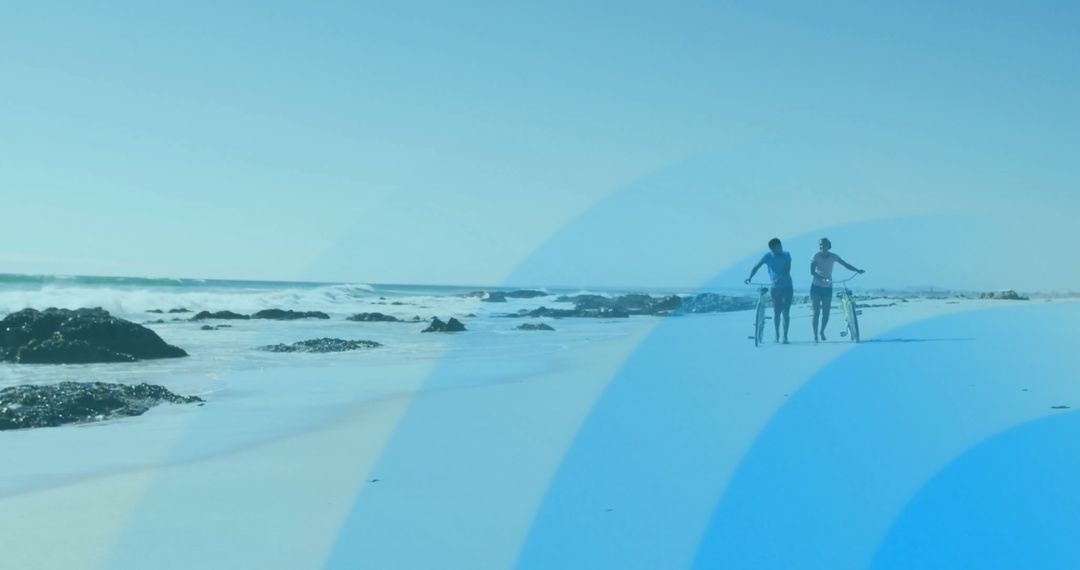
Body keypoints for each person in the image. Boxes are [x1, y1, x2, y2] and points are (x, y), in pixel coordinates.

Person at [810, 237, 865, 342]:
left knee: (826, 313)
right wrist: (822, 278)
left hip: (827, 288)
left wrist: (857, 270)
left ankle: (822, 331)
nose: (822, 246)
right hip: (816, 287)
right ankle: (815, 336)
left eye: (824, 244)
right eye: (820, 244)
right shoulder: (815, 256)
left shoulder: (833, 256)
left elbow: (846, 265)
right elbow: (812, 272)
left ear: (828, 245)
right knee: (816, 312)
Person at [745, 238, 793, 344]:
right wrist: (750, 277)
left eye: (781, 246)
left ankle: (785, 336)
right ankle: (777, 334)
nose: (780, 249)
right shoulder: (767, 256)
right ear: (772, 249)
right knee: (776, 312)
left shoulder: (787, 255)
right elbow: (756, 267)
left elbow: (787, 271)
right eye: (777, 248)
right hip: (775, 288)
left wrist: (778, 279)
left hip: (787, 286)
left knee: (786, 312)